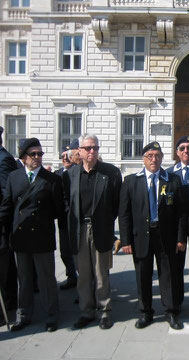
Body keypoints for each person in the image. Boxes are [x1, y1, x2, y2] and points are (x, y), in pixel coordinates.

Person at [119, 141, 186, 329]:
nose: (154, 159)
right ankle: (145, 312)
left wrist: (181, 238)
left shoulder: (173, 180)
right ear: (143, 159)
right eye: (150, 156)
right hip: (141, 236)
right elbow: (124, 214)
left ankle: (171, 312)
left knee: (168, 275)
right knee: (143, 276)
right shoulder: (131, 181)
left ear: (162, 158)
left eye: (157, 156)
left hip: (166, 236)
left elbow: (181, 213)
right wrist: (125, 240)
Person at [0, 138, 65, 332]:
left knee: (46, 280)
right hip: (20, 237)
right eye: (33, 154)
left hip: (42, 236)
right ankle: (24, 315)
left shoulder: (51, 179)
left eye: (40, 154)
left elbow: (58, 209)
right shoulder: (14, 177)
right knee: (24, 279)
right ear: (23, 157)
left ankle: (51, 315)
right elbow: (7, 206)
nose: (37, 157)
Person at [63, 134, 122, 330]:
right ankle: (86, 311)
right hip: (80, 229)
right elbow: (67, 203)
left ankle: (104, 311)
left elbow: (116, 204)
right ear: (79, 151)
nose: (92, 152)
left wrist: (106, 223)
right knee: (84, 275)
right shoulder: (71, 174)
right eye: (88, 148)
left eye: (95, 148)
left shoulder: (110, 173)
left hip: (100, 228)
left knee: (101, 273)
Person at [167, 136, 189, 305]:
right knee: (177, 266)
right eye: (183, 148)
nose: (186, 151)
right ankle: (177, 301)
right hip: (177, 226)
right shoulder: (169, 174)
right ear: (177, 152)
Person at [0, 126, 18, 326]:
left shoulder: (3, 159)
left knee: (4, 267)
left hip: (2, 223)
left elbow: (7, 194)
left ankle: (8, 304)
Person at [55, 145, 77, 290]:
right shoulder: (57, 174)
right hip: (63, 218)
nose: (65, 159)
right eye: (63, 156)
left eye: (67, 156)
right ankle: (71, 276)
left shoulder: (78, 172)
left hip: (76, 218)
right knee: (65, 250)